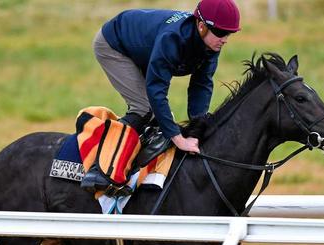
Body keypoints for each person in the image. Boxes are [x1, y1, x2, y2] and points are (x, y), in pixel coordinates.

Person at [81, 0, 241, 192]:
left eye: (229, 34)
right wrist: (179, 139)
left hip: (142, 45)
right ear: (201, 26)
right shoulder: (172, 39)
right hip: (114, 44)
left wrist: (197, 129)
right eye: (221, 33)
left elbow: (201, 85)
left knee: (158, 118)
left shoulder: (211, 45)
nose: (225, 39)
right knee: (144, 108)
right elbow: (157, 90)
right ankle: (101, 169)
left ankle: (136, 166)